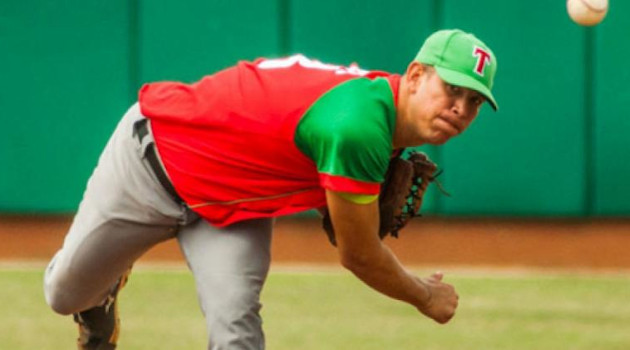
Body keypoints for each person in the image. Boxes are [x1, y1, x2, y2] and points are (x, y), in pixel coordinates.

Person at [44, 28, 498, 349]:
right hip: (154, 159)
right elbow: (358, 254)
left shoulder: (377, 113)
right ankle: (100, 290)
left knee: (236, 329)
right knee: (64, 295)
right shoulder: (359, 127)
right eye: (452, 89)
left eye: (474, 101)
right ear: (416, 76)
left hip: (233, 209)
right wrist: (424, 294)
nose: (460, 108)